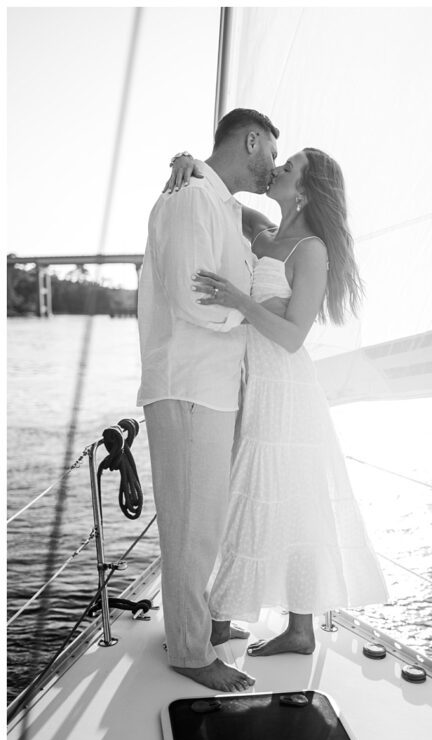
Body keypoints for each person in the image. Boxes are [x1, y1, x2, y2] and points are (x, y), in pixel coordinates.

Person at [166, 140, 389, 659]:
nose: (276, 169)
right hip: (249, 379)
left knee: (271, 495)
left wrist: (239, 300)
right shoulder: (265, 233)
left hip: (285, 388)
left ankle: (242, 621)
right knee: (262, 494)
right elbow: (223, 195)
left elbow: (293, 335)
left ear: (306, 190)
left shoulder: (311, 249)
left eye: (288, 168)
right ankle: (273, 624)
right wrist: (190, 162)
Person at [138, 107, 279, 692]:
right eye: (271, 151)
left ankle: (195, 628)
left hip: (212, 387)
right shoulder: (192, 201)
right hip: (189, 384)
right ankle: (191, 654)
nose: (273, 165)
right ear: (251, 142)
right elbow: (190, 297)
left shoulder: (215, 201)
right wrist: (245, 314)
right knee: (192, 523)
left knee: (206, 520)